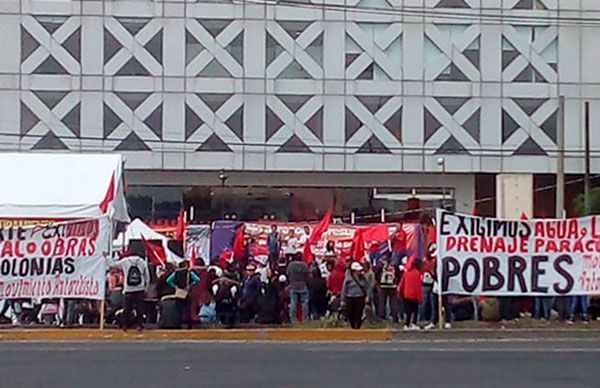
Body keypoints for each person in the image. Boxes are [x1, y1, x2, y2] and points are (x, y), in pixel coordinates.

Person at [110, 252, 150, 331]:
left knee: (127, 308)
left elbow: (113, 265)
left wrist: (106, 257)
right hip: (140, 288)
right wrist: (146, 288)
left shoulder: (125, 261)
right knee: (139, 308)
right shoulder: (142, 262)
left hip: (128, 289)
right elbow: (147, 277)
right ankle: (139, 325)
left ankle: (125, 325)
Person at [166, 261, 201, 329]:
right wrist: (190, 285)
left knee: (178, 310)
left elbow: (168, 280)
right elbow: (197, 279)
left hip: (179, 292)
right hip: (186, 292)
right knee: (187, 309)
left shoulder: (176, 273)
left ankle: (178, 324)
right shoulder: (189, 273)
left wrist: (175, 286)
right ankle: (188, 325)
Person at [341, 262, 370, 329]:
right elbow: (344, 288)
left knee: (359, 313)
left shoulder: (363, 278)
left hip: (360, 297)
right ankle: (352, 326)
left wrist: (367, 296)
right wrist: (343, 299)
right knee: (351, 313)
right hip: (350, 297)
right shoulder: (348, 278)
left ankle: (358, 326)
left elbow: (367, 287)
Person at [398, 258, 423, 331]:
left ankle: (406, 324)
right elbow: (418, 286)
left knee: (408, 310)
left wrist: (400, 292)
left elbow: (402, 283)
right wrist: (420, 298)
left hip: (406, 294)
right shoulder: (417, 273)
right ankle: (413, 324)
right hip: (414, 295)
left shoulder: (406, 272)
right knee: (415, 310)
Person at [374, 256, 401, 323]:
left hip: (383, 286)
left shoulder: (381, 265)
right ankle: (395, 318)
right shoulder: (394, 265)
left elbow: (376, 274)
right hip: (392, 286)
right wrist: (397, 283)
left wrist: (379, 282)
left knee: (382, 302)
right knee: (393, 303)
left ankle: (381, 318)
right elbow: (398, 274)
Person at [286, 255, 310, 322]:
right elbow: (308, 275)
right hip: (303, 285)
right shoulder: (304, 265)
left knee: (293, 303)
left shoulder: (290, 265)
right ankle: (305, 318)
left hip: (293, 285)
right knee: (304, 303)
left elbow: (287, 274)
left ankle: (293, 319)